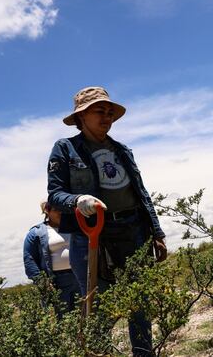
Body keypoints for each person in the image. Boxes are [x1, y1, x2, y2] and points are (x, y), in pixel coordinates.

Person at [47, 86, 167, 356]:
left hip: (133, 231)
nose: (106, 117)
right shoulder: (66, 149)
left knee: (139, 302)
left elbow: (141, 192)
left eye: (109, 112)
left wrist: (157, 232)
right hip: (92, 235)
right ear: (81, 116)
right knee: (98, 307)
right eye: (99, 111)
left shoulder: (122, 150)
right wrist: (78, 201)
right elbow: (55, 194)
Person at [22, 201, 81, 318]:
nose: (60, 213)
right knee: (62, 317)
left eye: (62, 210)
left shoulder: (75, 227)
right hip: (56, 281)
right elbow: (29, 260)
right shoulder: (36, 233)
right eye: (55, 210)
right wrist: (42, 283)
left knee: (84, 314)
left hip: (79, 276)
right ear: (47, 211)